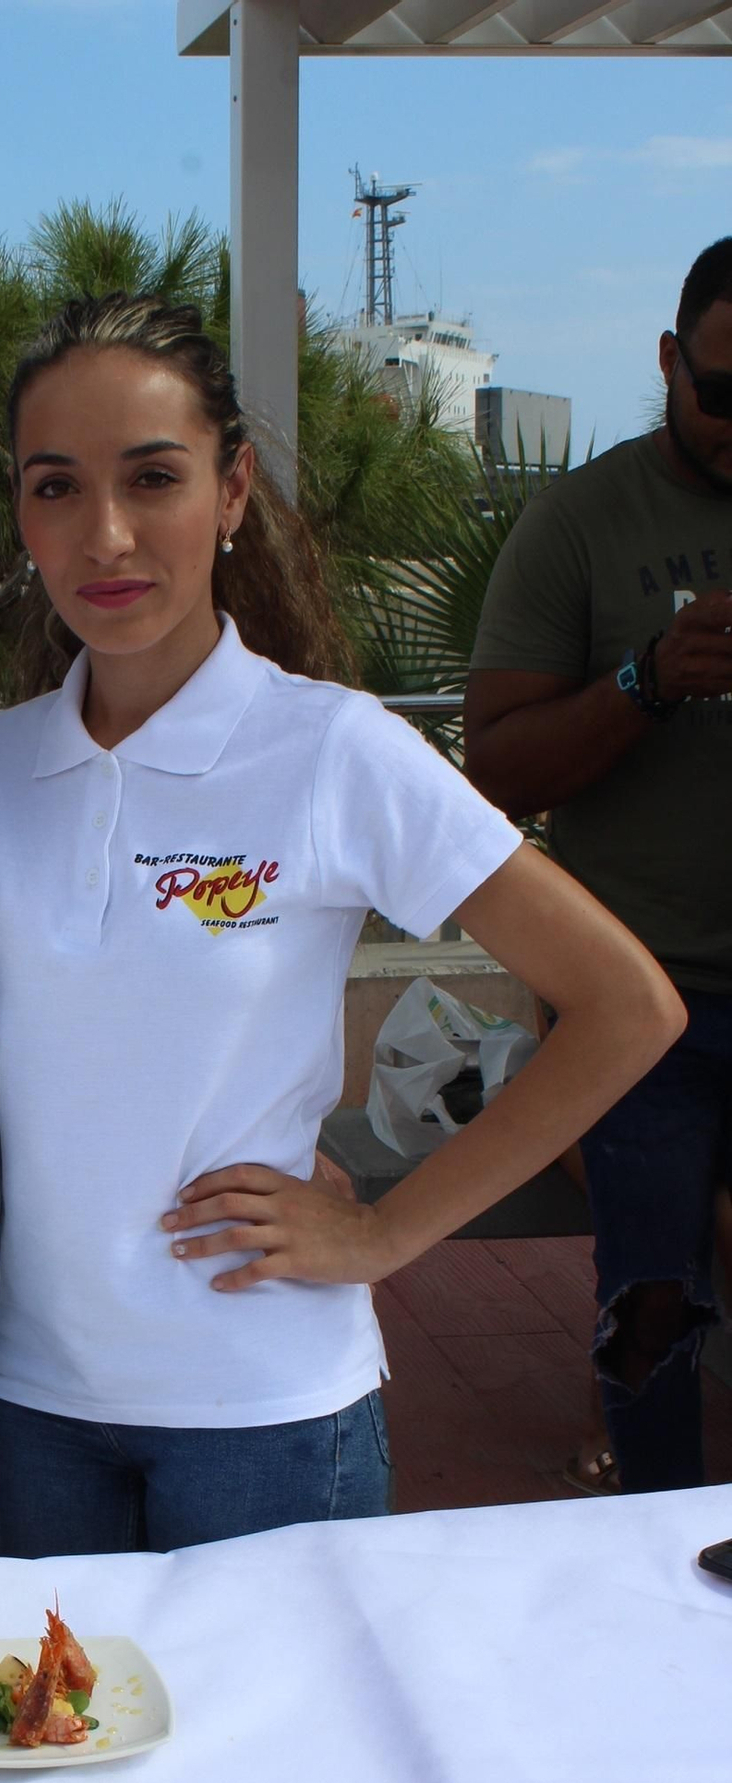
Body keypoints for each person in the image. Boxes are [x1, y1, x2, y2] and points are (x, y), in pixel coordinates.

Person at [0, 292, 685, 1559]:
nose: (107, 533)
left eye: (155, 477)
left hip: (264, 1408)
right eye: (56, 486)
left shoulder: (334, 748)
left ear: (233, 491)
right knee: (40, 1756)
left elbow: (628, 1005)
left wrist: (387, 1229)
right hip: (27, 1406)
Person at [466, 239, 732, 1498]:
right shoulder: (579, 522)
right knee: (648, 1306)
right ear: (671, 362)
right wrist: (648, 680)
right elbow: (499, 768)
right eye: (722, 393)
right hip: (645, 1003)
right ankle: (654, 1543)